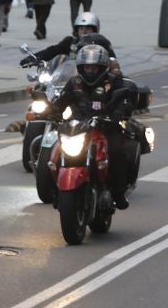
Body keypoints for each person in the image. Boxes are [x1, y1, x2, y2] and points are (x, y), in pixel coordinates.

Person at [48, 44, 144, 208]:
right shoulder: (75, 83)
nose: (90, 71)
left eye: (94, 68)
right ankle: (53, 190)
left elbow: (124, 102)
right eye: (87, 67)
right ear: (80, 67)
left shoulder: (114, 83)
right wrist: (51, 112)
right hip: (78, 127)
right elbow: (62, 101)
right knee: (54, 152)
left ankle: (117, 192)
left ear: (103, 68)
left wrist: (118, 114)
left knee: (116, 152)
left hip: (106, 127)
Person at [29, 11, 116, 73]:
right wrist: (33, 58)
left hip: (93, 78)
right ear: (77, 30)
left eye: (88, 28)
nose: (84, 31)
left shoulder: (101, 42)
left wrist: (114, 68)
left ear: (95, 29)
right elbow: (53, 50)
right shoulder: (71, 42)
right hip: (71, 78)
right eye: (81, 28)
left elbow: (112, 59)